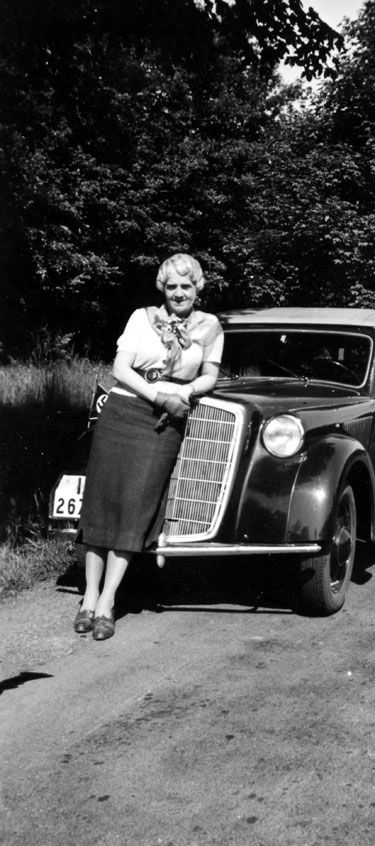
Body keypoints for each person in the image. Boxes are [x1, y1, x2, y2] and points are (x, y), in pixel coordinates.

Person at [74, 253, 223, 641]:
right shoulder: (141, 318)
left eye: (186, 286)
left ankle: (107, 602)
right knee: (103, 502)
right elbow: (120, 369)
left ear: (197, 288)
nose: (179, 293)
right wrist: (159, 396)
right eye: (172, 286)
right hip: (123, 412)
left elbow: (210, 375)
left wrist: (185, 393)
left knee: (135, 507)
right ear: (163, 288)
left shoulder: (210, 326)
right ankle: (88, 597)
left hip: (165, 423)